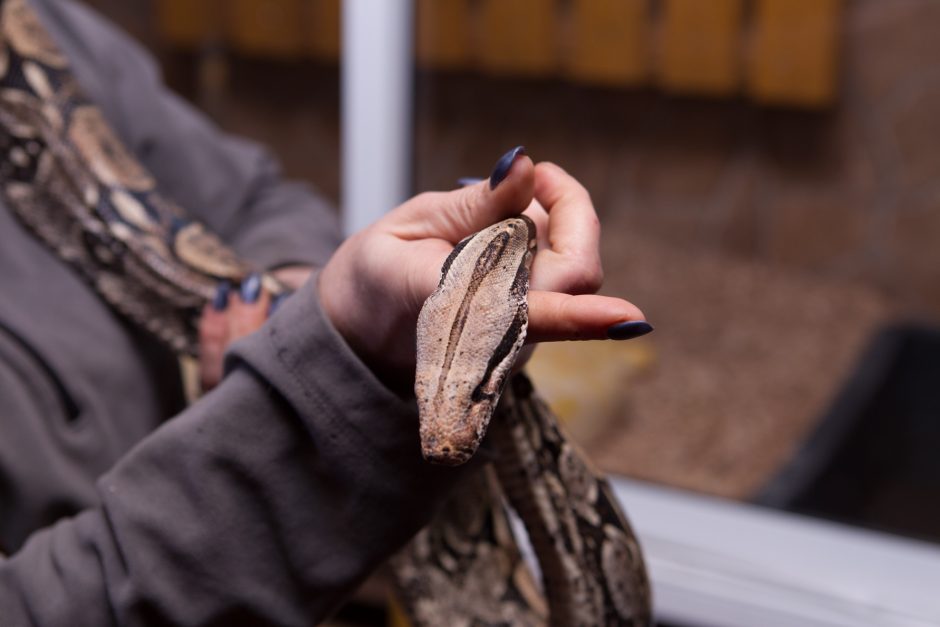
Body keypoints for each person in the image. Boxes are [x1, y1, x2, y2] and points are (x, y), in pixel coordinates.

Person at [0, 0, 650, 625]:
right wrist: (312, 382)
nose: (437, 440)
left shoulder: (35, 27)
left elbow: (257, 197)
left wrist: (298, 296)